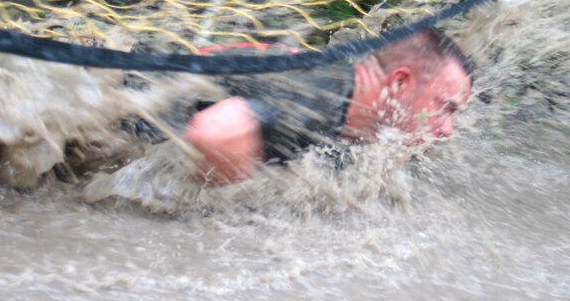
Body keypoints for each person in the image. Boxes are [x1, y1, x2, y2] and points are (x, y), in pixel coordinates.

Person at [184, 28, 474, 185]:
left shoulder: (353, 108)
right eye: (445, 108)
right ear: (400, 84)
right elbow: (214, 131)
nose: (448, 131)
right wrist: (220, 201)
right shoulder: (317, 100)